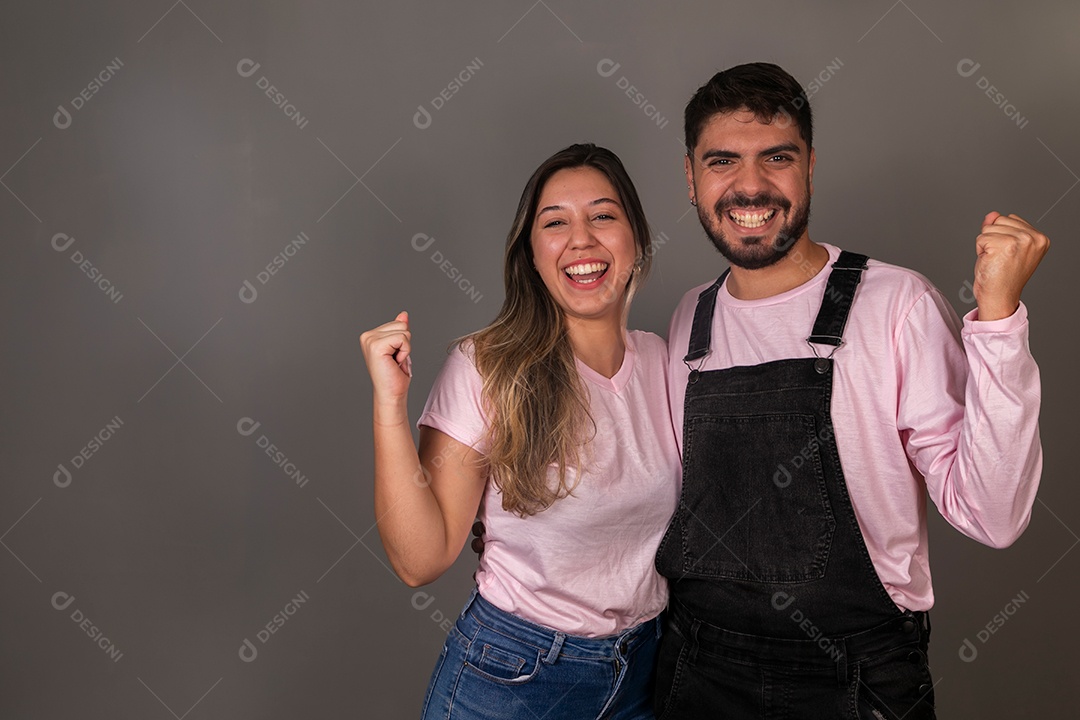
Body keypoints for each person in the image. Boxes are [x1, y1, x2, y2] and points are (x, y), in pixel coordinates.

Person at [653, 62, 1048, 719]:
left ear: (809, 167)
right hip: (697, 672)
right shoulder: (690, 319)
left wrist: (1000, 319)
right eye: (722, 161)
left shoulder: (896, 304)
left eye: (776, 157)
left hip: (855, 682)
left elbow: (995, 516)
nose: (749, 185)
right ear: (691, 178)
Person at [360, 143, 681, 719]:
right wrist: (389, 404)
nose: (581, 240)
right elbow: (419, 560)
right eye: (555, 223)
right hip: (515, 679)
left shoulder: (668, 362)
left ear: (636, 239)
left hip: (643, 673)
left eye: (603, 216)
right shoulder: (487, 368)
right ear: (531, 254)